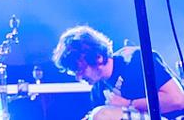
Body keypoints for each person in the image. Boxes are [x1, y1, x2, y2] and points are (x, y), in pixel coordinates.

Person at [53, 25, 184, 119]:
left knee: (102, 115)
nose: (78, 76)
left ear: (98, 57)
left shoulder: (135, 60)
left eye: (79, 69)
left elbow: (178, 100)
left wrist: (130, 104)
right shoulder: (98, 91)